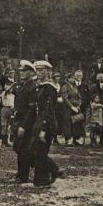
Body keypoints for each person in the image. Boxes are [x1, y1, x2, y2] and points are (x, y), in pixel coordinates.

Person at [31, 60, 59, 188]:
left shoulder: (50, 88)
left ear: (48, 72)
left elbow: (49, 109)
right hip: (39, 122)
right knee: (36, 151)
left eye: (42, 70)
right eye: (37, 70)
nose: (39, 73)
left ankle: (43, 181)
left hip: (47, 123)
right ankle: (52, 171)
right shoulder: (41, 86)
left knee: (41, 152)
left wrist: (43, 128)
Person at [0, 80, 15, 148]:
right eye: (9, 87)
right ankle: (3, 142)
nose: (10, 89)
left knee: (8, 127)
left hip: (11, 110)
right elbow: (6, 91)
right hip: (5, 109)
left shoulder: (13, 95)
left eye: (11, 87)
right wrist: (12, 84)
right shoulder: (4, 93)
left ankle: (6, 141)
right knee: (4, 126)